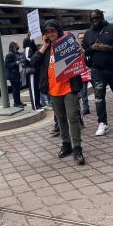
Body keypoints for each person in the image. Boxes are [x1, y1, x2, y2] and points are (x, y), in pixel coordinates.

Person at [31, 19, 85, 165]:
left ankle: (77, 148)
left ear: (58, 31)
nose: (50, 34)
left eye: (52, 31)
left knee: (73, 116)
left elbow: (82, 61)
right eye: (47, 32)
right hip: (53, 90)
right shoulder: (45, 48)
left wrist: (81, 53)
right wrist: (43, 46)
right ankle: (66, 144)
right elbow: (33, 63)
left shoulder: (67, 43)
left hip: (69, 87)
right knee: (60, 118)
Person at [83, 10, 113, 136]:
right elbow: (85, 51)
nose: (94, 20)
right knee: (99, 98)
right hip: (97, 70)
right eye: (92, 19)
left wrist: (110, 48)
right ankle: (102, 123)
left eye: (97, 17)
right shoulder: (88, 33)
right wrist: (92, 48)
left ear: (102, 17)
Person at [5, 41, 26, 108]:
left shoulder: (15, 53)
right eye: (16, 45)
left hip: (16, 74)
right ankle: (16, 103)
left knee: (17, 88)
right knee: (15, 89)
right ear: (13, 46)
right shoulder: (10, 55)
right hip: (12, 75)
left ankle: (19, 102)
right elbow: (7, 65)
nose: (18, 46)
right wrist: (15, 63)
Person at [23, 38, 43, 110]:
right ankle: (35, 105)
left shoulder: (31, 48)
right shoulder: (28, 48)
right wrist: (34, 61)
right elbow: (27, 57)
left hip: (34, 70)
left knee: (36, 88)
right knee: (33, 89)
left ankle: (38, 103)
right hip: (31, 71)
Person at [77, 32, 91, 115]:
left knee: (97, 91)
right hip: (82, 73)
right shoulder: (76, 48)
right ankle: (86, 108)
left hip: (91, 71)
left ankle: (99, 105)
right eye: (80, 38)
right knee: (83, 92)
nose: (82, 39)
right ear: (78, 39)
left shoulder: (89, 47)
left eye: (83, 37)